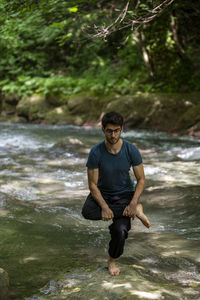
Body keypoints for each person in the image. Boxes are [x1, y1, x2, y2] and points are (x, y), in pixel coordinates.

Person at [82, 111, 150, 276]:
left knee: (120, 230)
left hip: (125, 195)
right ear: (103, 130)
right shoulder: (96, 152)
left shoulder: (130, 150)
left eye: (117, 130)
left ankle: (111, 261)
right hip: (103, 194)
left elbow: (141, 179)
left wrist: (133, 203)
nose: (113, 135)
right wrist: (104, 207)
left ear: (122, 129)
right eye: (109, 131)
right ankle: (136, 212)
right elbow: (92, 184)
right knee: (87, 212)